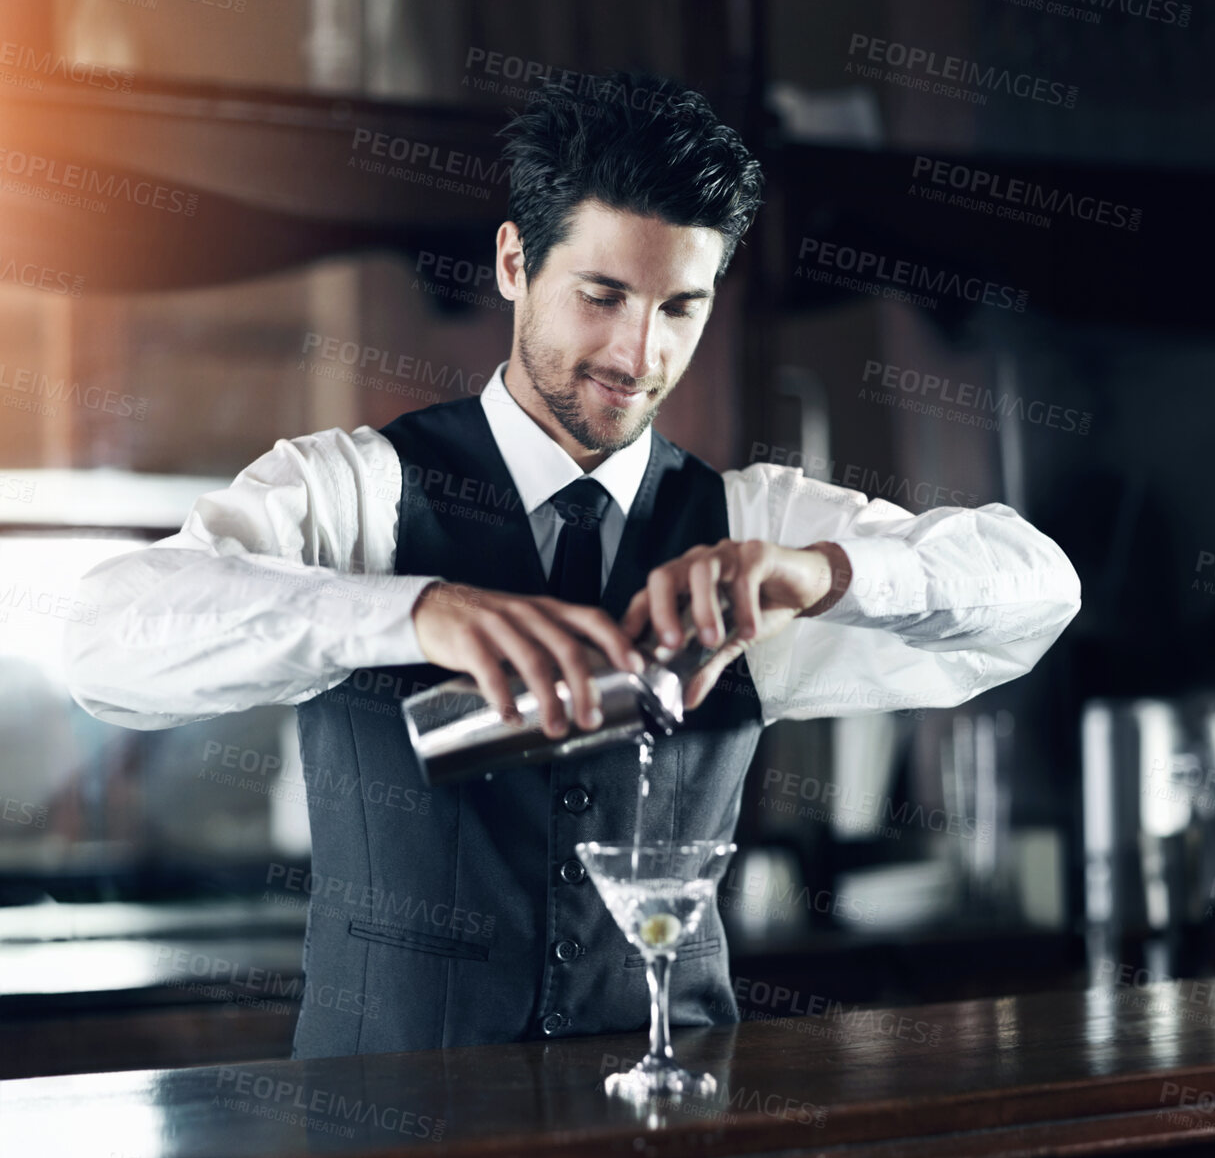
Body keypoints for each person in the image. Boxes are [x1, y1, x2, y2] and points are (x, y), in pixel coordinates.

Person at [64, 71, 1081, 1059]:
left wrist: (819, 576)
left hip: (663, 1142)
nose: (639, 354)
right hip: (382, 1145)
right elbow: (104, 639)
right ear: (514, 263)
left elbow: (1036, 589)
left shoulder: (748, 519)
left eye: (680, 307)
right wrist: (414, 613)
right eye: (602, 295)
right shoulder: (356, 493)